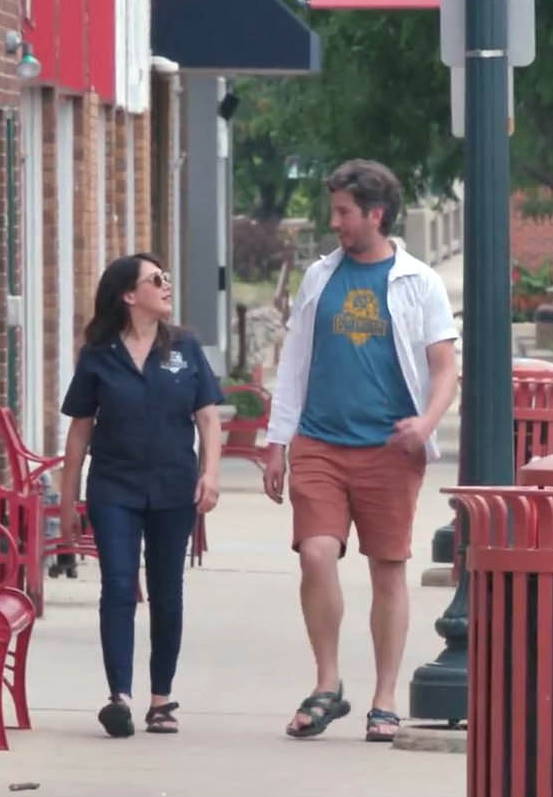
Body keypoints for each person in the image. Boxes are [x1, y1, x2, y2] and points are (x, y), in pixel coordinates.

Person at [263, 159, 459, 743]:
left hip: (390, 446)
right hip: (319, 440)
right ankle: (328, 684)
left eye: (345, 212)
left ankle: (384, 697)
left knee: (388, 570)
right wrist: (277, 441)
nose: (335, 223)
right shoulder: (321, 278)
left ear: (376, 214)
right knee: (317, 554)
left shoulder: (417, 281)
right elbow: (295, 361)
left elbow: (445, 368)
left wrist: (425, 424)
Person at [60, 254, 224, 738]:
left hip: (174, 487)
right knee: (117, 584)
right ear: (129, 295)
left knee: (167, 591)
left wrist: (209, 474)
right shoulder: (99, 354)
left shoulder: (185, 348)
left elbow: (209, 418)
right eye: (156, 280)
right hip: (114, 487)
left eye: (167, 277)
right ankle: (120, 697)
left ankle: (161, 699)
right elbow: (79, 432)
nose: (166, 285)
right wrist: (68, 499)